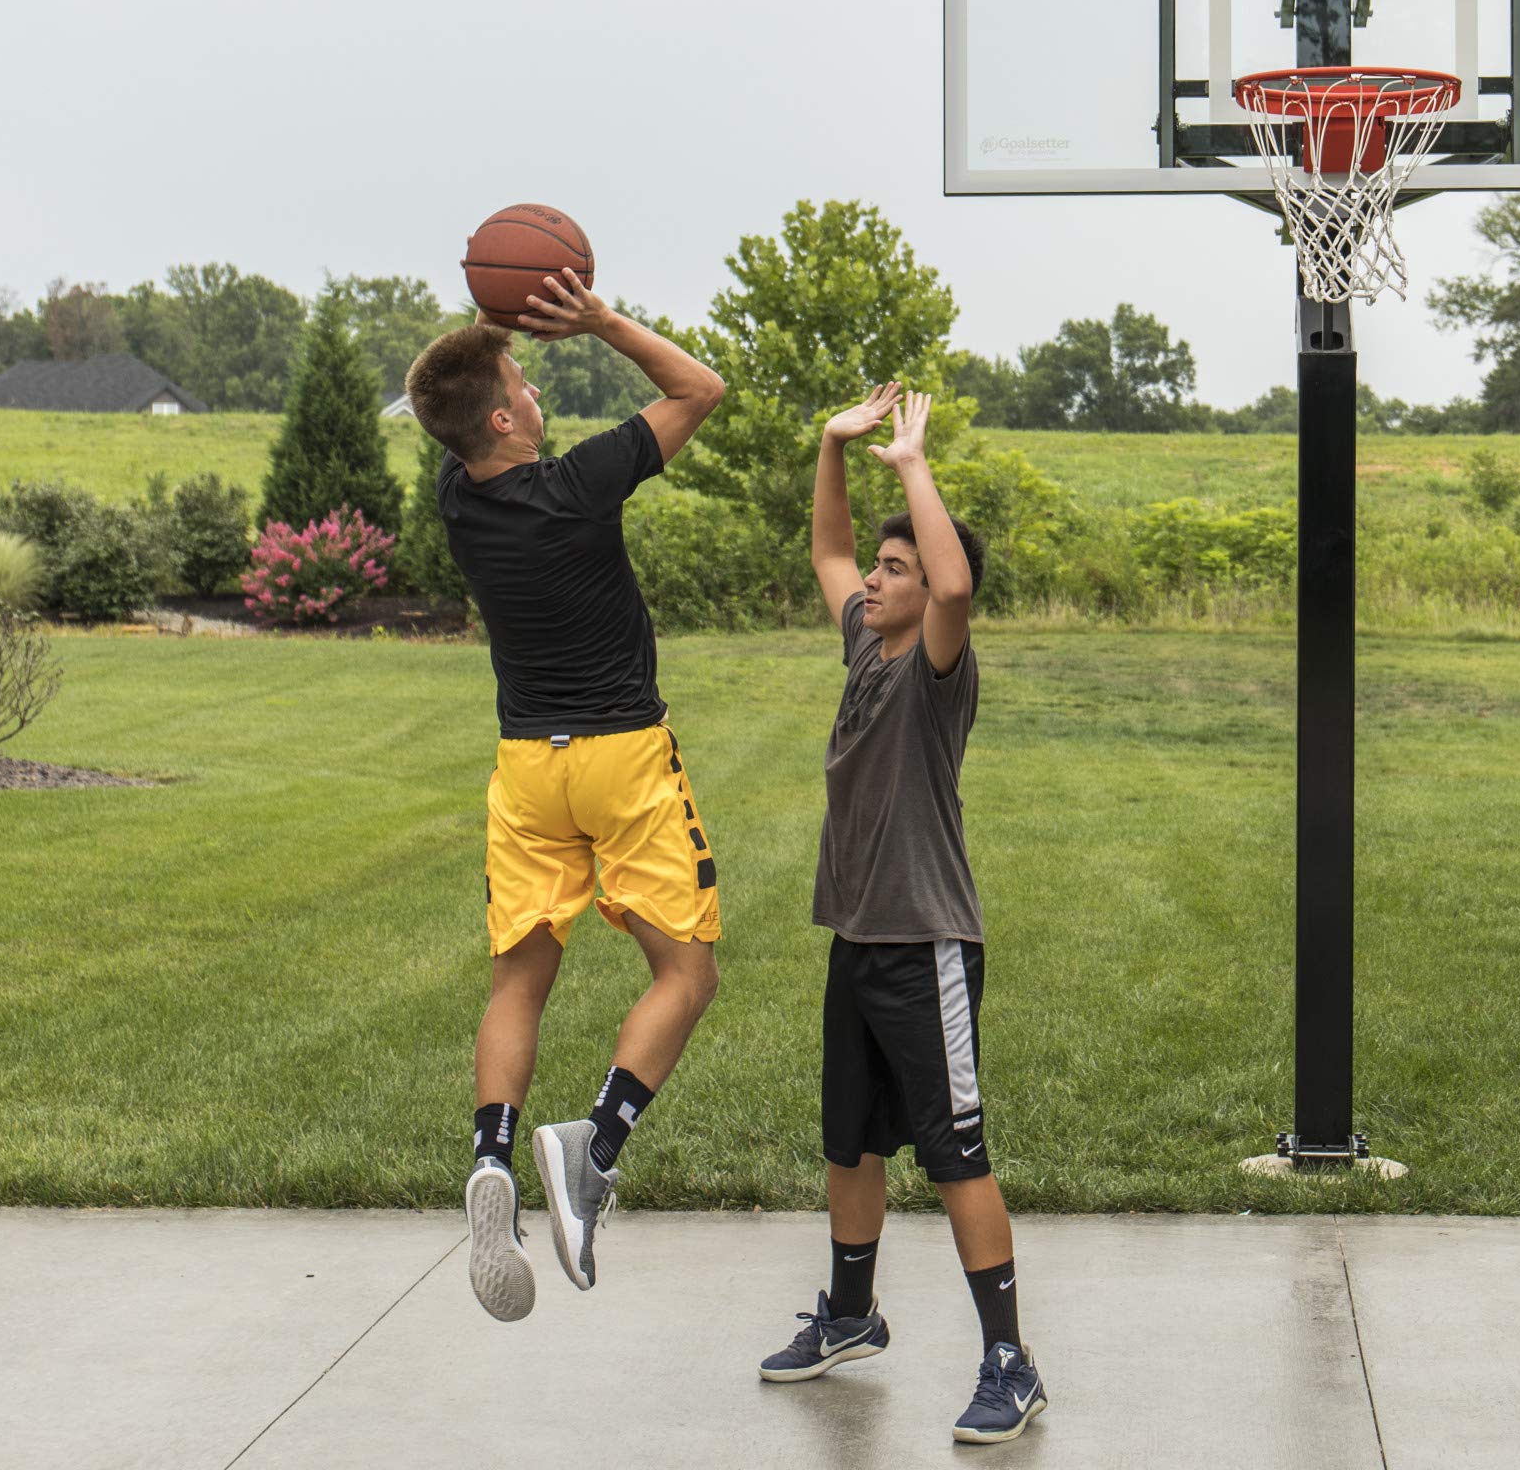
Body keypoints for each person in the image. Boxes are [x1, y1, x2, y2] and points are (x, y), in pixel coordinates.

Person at [403, 270, 725, 1323]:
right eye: (524, 381)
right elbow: (697, 387)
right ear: (503, 415)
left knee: (517, 981)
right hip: (621, 756)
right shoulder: (582, 482)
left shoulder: (458, 494)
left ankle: (493, 1152)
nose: (537, 389)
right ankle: (594, 1145)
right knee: (684, 971)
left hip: (525, 769)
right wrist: (596, 317)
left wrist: (496, 321)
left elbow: (453, 395)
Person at [758, 383, 1049, 1446]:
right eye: (878, 569)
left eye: (894, 569)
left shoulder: (935, 665)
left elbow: (957, 580)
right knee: (849, 1144)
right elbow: (826, 551)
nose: (871, 579)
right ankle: (847, 1313)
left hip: (927, 944)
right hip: (858, 941)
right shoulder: (864, 643)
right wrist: (830, 445)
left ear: (922, 592)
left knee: (955, 1153)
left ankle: (1008, 1362)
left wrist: (911, 464)